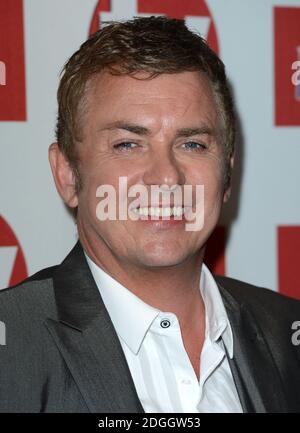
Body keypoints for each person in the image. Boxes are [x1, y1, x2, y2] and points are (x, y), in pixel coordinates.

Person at [0, 16, 300, 414]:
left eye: (192, 144)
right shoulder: (13, 348)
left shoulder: (287, 333)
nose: (166, 177)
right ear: (68, 175)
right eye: (127, 144)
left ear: (227, 173)